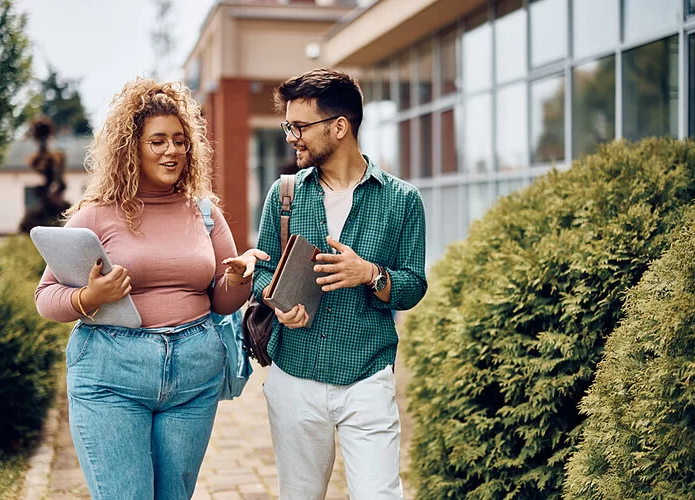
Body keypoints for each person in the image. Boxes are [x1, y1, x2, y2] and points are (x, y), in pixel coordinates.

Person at [35, 78, 267, 499]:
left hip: (194, 373)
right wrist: (90, 297)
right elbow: (46, 297)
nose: (172, 151)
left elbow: (222, 300)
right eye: (158, 141)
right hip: (111, 372)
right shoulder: (97, 215)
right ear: (132, 147)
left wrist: (237, 280)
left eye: (180, 141)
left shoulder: (205, 212)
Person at [252, 68, 428, 499]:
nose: (292, 136)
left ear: (340, 126)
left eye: (300, 126)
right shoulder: (285, 194)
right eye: (288, 125)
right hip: (295, 376)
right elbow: (262, 271)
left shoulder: (402, 200)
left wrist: (370, 274)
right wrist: (277, 305)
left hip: (367, 377)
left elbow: (413, 286)